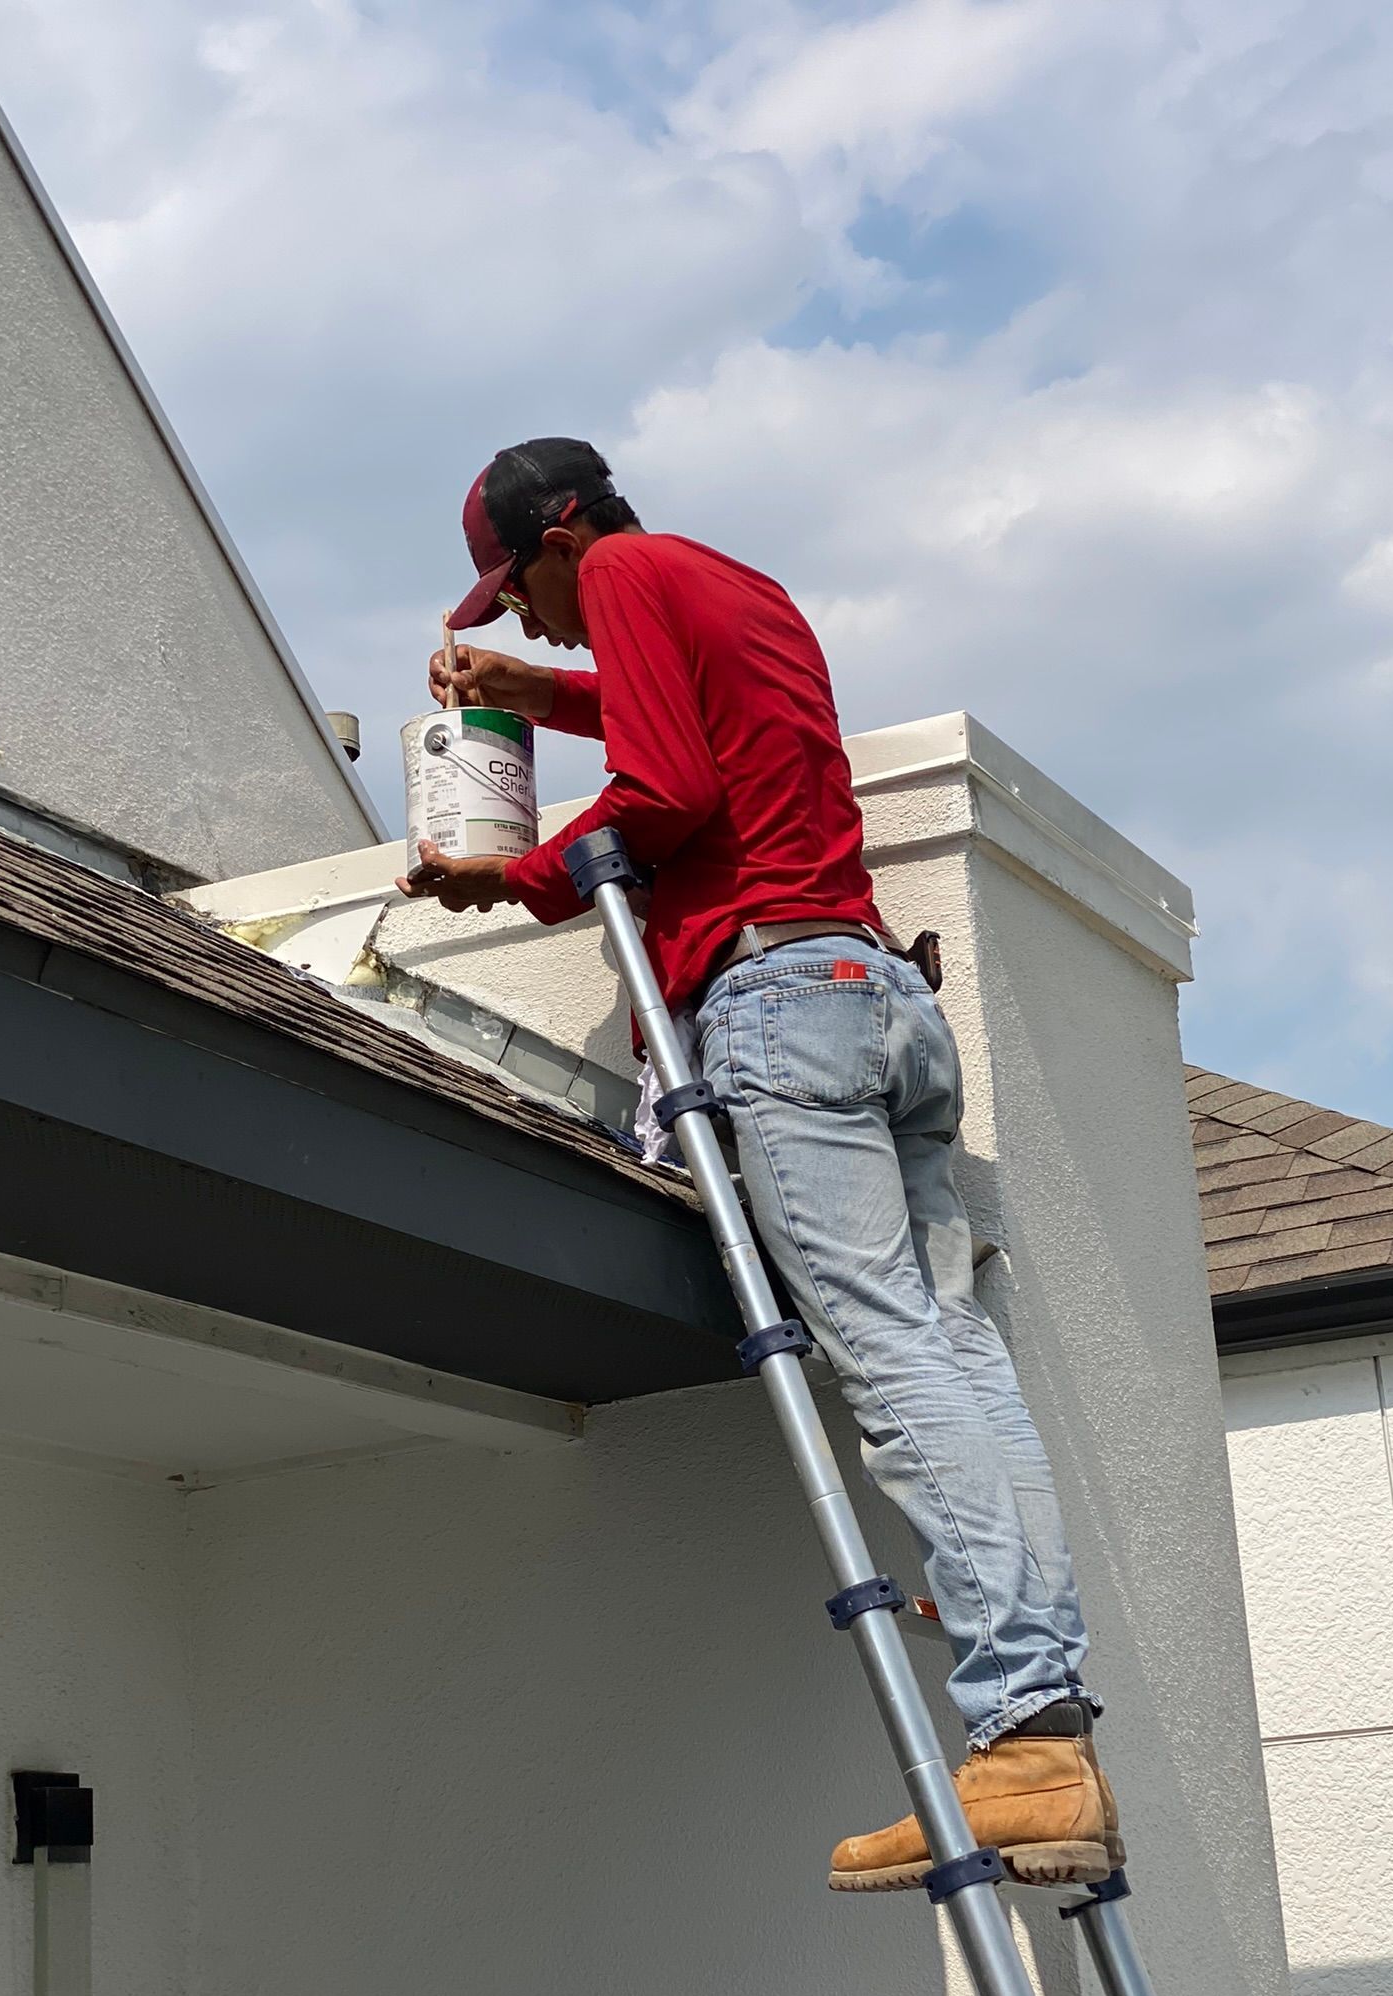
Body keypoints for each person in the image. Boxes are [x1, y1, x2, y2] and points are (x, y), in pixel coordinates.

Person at [399, 437, 1119, 1890]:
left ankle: (1025, 1752)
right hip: (877, 996)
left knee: (896, 1365)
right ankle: (1047, 1730)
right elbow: (714, 734)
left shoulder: (622, 573)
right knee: (956, 1357)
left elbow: (664, 789)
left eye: (517, 590)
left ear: (560, 536)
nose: (528, 618)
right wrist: (546, 696)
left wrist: (510, 877)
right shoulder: (735, 586)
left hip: (781, 1006)